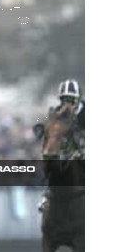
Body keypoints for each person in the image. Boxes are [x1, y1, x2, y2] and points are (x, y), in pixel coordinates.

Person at [38, 79, 85, 212]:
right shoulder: (56, 111)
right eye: (65, 99)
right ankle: (46, 196)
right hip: (67, 148)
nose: (68, 103)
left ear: (78, 99)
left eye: (71, 99)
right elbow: (43, 123)